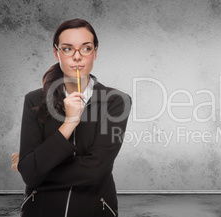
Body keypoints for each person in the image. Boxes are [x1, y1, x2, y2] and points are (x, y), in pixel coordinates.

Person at [10, 18, 131, 217]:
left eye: (86, 48)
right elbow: (30, 173)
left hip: (95, 209)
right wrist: (69, 122)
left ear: (95, 52)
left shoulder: (116, 101)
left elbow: (95, 170)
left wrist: (35, 168)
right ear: (56, 52)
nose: (77, 57)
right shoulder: (34, 100)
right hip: (40, 210)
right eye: (67, 49)